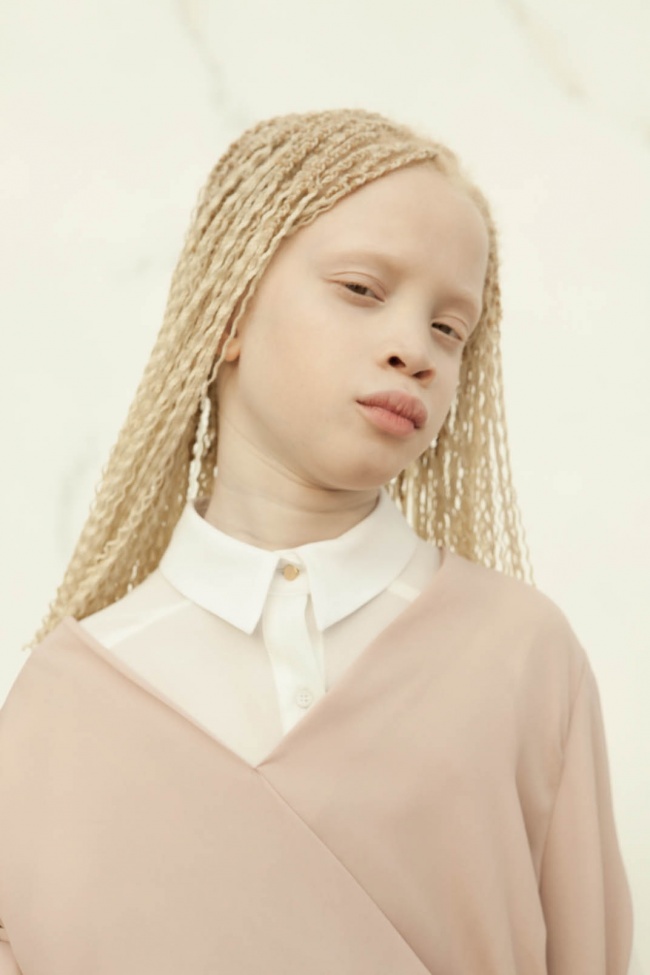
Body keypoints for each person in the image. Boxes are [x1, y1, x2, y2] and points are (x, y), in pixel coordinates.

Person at [0, 109, 633, 973]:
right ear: (229, 311)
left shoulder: (523, 655)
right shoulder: (61, 704)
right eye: (363, 289)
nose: (414, 349)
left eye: (451, 328)